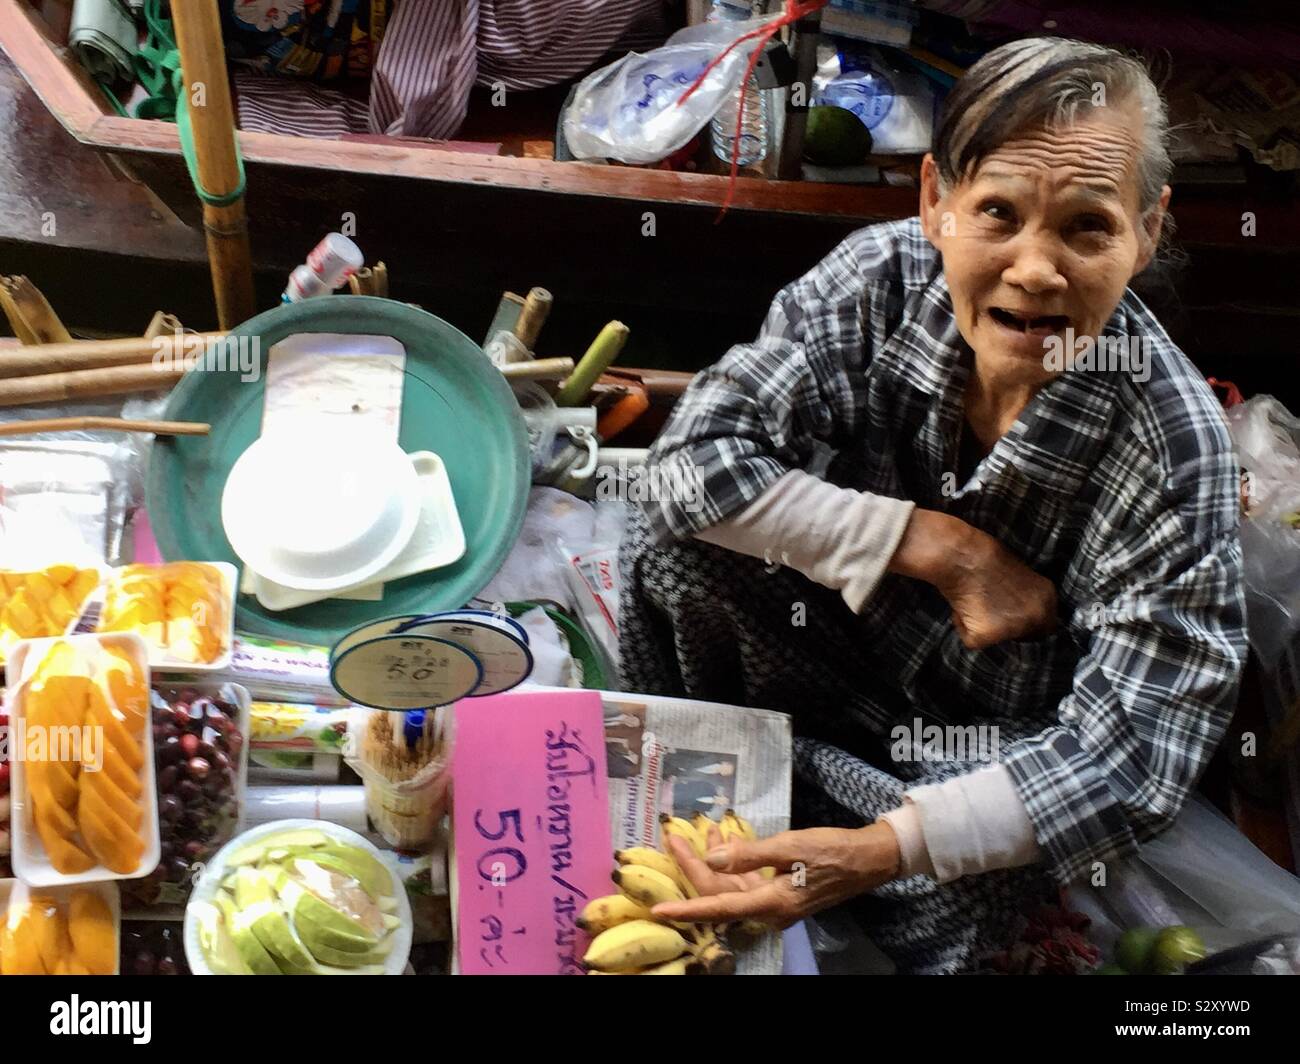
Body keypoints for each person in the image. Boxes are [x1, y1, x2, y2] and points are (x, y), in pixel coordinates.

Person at [617, 36, 1249, 974]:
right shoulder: (880, 280)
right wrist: (939, 546)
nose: (1035, 272)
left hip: (984, 745)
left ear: (1148, 232)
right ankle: (730, 783)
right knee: (670, 539)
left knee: (1001, 876)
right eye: (996, 212)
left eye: (1087, 227)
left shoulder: (1174, 449)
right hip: (833, 650)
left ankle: (836, 833)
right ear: (934, 203)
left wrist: (885, 850)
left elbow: (1136, 754)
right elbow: (691, 462)